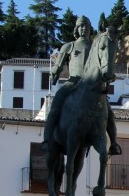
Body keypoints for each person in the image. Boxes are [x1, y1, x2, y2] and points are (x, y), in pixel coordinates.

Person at [46, 15, 121, 155]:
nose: (83, 29)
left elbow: (104, 60)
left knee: (109, 113)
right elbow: (58, 65)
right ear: (76, 28)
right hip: (72, 83)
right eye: (80, 26)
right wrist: (54, 73)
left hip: (91, 86)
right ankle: (47, 140)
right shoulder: (69, 46)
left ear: (89, 28)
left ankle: (114, 144)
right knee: (55, 107)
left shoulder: (95, 46)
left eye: (86, 26)